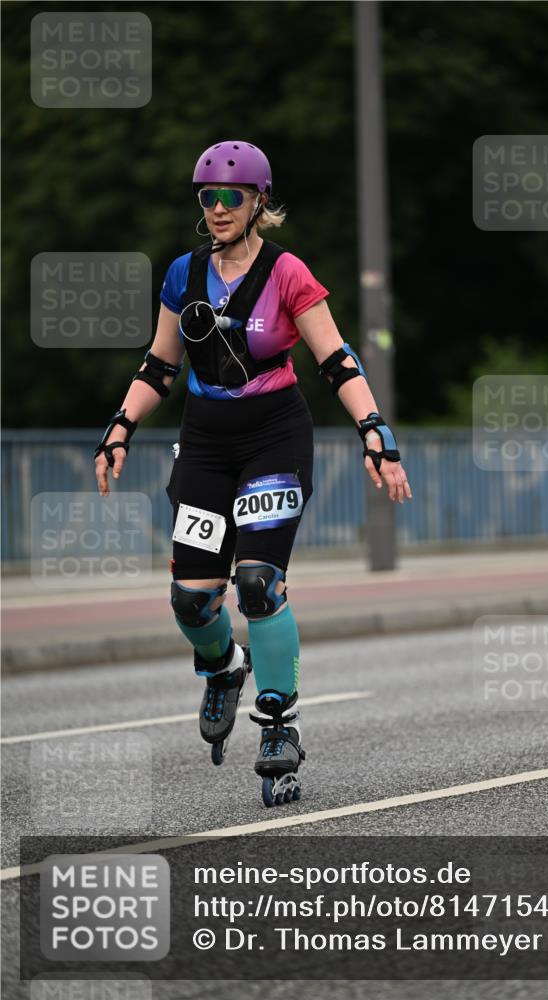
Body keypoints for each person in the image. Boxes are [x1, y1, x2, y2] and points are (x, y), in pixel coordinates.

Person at [94, 140, 412, 807]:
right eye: (205, 197)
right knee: (191, 598)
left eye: (229, 197)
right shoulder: (182, 275)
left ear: (258, 202)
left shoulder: (287, 273)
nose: (215, 208)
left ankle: (277, 723)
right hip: (206, 442)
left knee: (259, 582)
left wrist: (374, 433)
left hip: (275, 433)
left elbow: (338, 362)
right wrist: (120, 427)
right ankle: (221, 667)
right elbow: (159, 366)